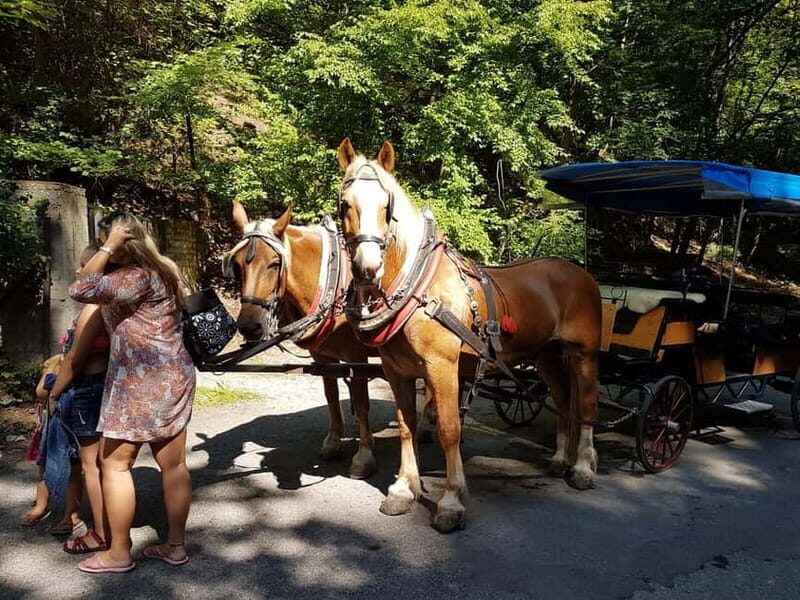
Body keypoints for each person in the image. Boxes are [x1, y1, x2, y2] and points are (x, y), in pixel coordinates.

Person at [69, 213, 195, 574]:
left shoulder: (134, 277)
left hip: (139, 382)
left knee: (114, 464)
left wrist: (108, 247)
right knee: (174, 464)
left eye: (106, 240)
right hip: (174, 374)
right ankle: (175, 547)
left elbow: (80, 289)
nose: (104, 247)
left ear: (123, 241)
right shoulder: (165, 270)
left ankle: (119, 553)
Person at [48, 245, 113, 554]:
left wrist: (54, 394)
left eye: (84, 265)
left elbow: (74, 360)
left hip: (87, 387)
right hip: (102, 384)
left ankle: (101, 531)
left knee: (92, 465)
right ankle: (104, 523)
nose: (78, 271)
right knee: (102, 462)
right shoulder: (113, 304)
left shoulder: (93, 310)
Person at [20, 353, 82, 532]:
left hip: (70, 430)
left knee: (74, 472)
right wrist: (53, 367)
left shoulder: (78, 364)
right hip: (49, 432)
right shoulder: (58, 361)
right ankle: (40, 506)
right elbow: (40, 392)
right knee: (44, 471)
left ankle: (72, 514)